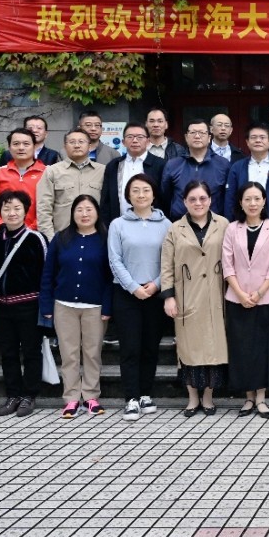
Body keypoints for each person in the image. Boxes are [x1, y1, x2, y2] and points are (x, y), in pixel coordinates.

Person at [39, 195, 113, 418]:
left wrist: (107, 307)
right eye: (79, 209)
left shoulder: (106, 239)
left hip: (95, 307)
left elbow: (110, 277)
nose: (84, 214)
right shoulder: (61, 238)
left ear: (97, 212)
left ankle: (91, 396)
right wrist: (46, 305)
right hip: (64, 305)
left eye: (89, 209)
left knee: (92, 353)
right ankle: (71, 398)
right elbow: (48, 273)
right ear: (72, 213)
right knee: (69, 354)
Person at [0, 190, 48, 417]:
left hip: (30, 306)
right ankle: (13, 395)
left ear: (26, 211)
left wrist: (47, 306)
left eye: (17, 208)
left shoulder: (36, 239)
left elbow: (47, 275)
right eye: (6, 208)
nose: (12, 213)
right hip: (1, 307)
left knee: (31, 351)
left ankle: (29, 395)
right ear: (0, 212)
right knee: (7, 352)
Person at [162, 181, 230, 416]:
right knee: (188, 348)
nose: (198, 203)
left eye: (202, 198)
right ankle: (192, 398)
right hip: (186, 295)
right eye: (192, 199)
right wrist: (168, 296)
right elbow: (166, 266)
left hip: (216, 293)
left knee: (214, 347)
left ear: (210, 200)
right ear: (184, 202)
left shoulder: (223, 225)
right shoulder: (175, 229)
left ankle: (208, 397)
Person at [108, 174, 172, 421]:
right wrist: (134, 287)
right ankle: (131, 398)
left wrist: (155, 285)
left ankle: (145, 394)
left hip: (155, 293)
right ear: (128, 195)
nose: (141, 195)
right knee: (130, 348)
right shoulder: (118, 224)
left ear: (154, 194)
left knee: (150, 347)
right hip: (127, 294)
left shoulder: (166, 224)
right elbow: (115, 260)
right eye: (135, 190)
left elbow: (170, 260)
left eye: (146, 190)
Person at [222, 181, 269, 418]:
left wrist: (258, 293)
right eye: (247, 199)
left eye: (257, 198)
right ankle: (248, 397)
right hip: (236, 298)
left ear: (264, 201)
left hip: (266, 298)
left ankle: (261, 397)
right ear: (240, 202)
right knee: (242, 348)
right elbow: (227, 264)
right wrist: (240, 293)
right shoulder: (232, 229)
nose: (252, 203)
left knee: (264, 349)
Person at [36, 128, 107, 240]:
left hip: (96, 237)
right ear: (65, 146)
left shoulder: (103, 171)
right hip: (63, 237)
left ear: (89, 146)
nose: (77, 145)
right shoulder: (52, 171)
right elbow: (44, 208)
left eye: (81, 142)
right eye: (72, 142)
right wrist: (50, 239)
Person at [160, 119, 231, 218]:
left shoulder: (223, 164)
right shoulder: (173, 165)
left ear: (209, 138)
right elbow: (165, 196)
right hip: (180, 222)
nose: (197, 136)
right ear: (186, 137)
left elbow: (228, 197)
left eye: (202, 133)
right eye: (193, 132)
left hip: (214, 223)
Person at [227, 122, 269, 226]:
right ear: (247, 142)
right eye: (253, 137)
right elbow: (230, 199)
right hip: (243, 224)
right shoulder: (237, 167)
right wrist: (232, 224)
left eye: (262, 137)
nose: (258, 140)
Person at [101, 122, 165, 222]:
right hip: (119, 223)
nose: (135, 140)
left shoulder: (160, 165)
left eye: (140, 137)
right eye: (130, 137)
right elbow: (106, 200)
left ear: (148, 141)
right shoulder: (114, 165)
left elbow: (165, 198)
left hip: (152, 223)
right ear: (123, 142)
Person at [0, 129, 47, 230]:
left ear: (34, 146)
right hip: (6, 231)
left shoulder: (47, 172)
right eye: (16, 144)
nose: (21, 148)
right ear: (9, 148)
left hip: (39, 231)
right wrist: (0, 225)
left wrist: (30, 229)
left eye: (26, 144)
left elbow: (51, 205)